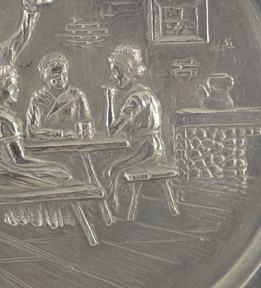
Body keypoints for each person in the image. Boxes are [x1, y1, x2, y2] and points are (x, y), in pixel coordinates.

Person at [0, 65, 72, 190]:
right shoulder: (5, 119)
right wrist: (51, 165)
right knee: (61, 175)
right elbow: (19, 160)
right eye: (12, 87)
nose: (17, 90)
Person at [101, 44, 165, 208]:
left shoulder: (136, 98)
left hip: (146, 148)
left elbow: (113, 130)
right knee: (106, 163)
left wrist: (109, 98)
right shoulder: (144, 92)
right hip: (150, 146)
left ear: (127, 70)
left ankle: (110, 209)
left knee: (111, 170)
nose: (113, 77)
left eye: (116, 71)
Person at [26, 52, 94, 140]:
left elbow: (86, 122)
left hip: (74, 144)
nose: (61, 79)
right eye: (55, 76)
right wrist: (62, 134)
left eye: (64, 75)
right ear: (46, 77)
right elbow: (32, 131)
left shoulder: (76, 95)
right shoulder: (38, 97)